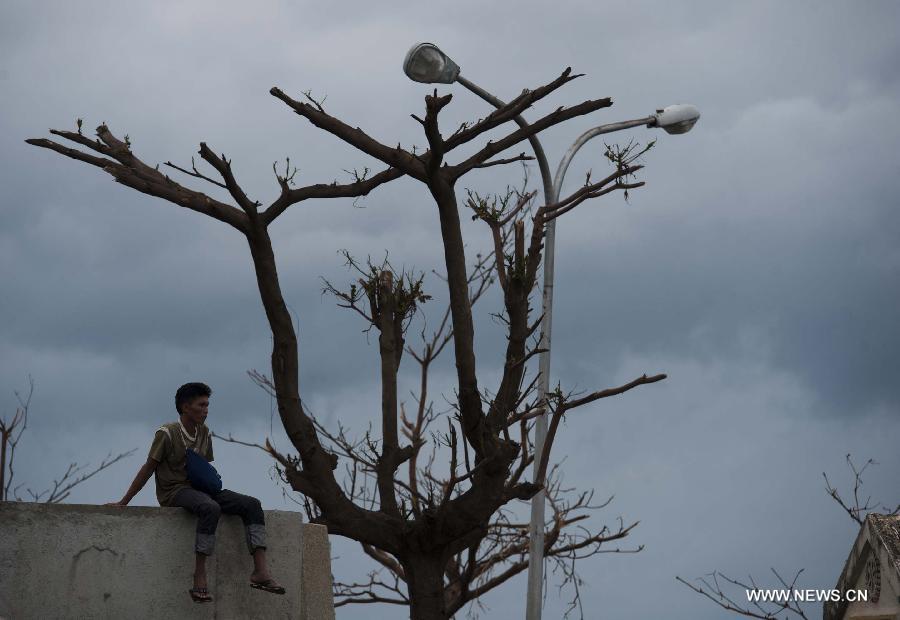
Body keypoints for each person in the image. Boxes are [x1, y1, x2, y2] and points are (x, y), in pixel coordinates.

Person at [108, 382, 284, 603]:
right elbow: (148, 468)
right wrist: (124, 501)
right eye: (201, 405)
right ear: (185, 407)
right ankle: (199, 575)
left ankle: (261, 572)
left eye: (207, 405)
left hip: (202, 489)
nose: (206, 410)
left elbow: (204, 469)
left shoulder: (204, 433)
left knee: (252, 504)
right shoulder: (167, 433)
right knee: (210, 508)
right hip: (175, 491)